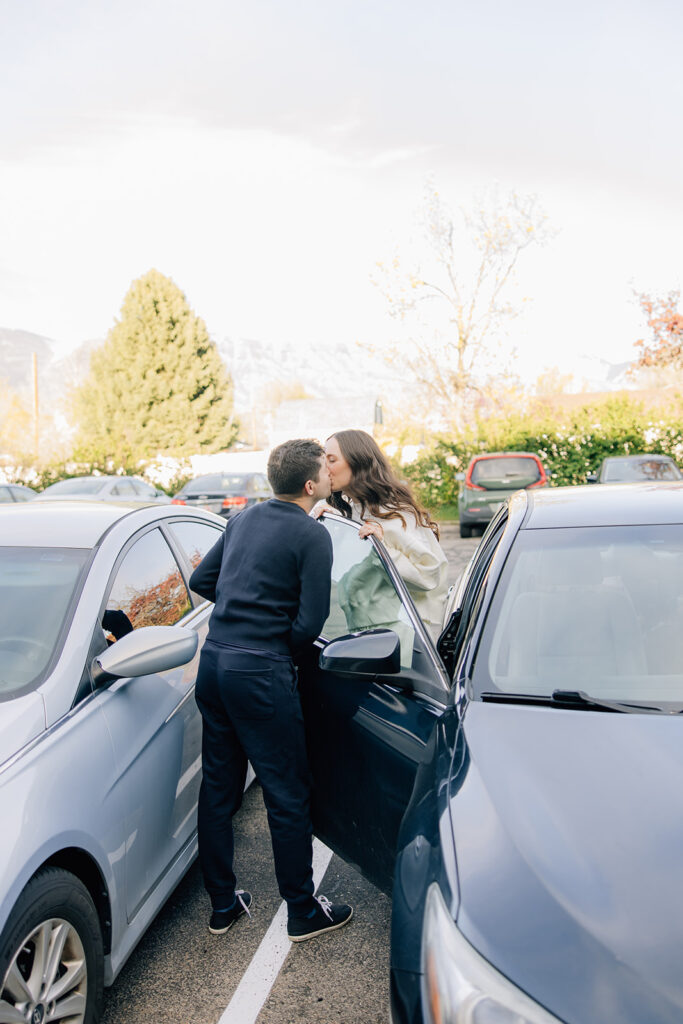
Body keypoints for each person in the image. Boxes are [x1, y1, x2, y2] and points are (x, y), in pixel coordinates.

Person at [189, 439, 353, 942]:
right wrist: (267, 640)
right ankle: (302, 911)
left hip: (214, 664)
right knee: (286, 792)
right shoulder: (312, 535)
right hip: (260, 676)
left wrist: (242, 614)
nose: (329, 475)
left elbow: (202, 578)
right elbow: (309, 623)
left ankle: (223, 905)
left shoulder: (243, 519)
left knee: (218, 790)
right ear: (310, 486)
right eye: (323, 471)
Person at [318, 429, 449, 640]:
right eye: (324, 460)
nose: (325, 468)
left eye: (332, 460)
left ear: (357, 462)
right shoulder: (353, 511)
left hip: (397, 641)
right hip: (364, 637)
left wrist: (382, 548)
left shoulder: (395, 513)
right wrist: (335, 524)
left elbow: (428, 575)